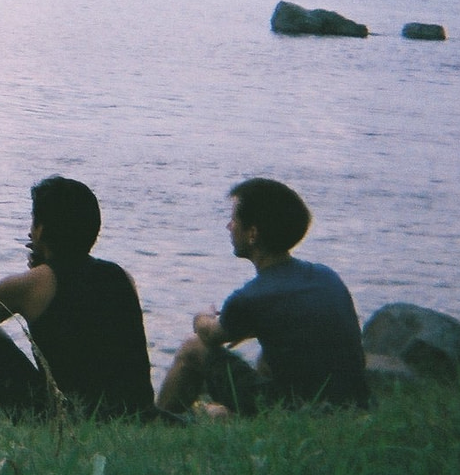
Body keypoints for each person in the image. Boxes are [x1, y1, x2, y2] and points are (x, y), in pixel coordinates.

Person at [0, 175, 155, 421]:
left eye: (33, 224)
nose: (30, 232)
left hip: (71, 417)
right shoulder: (122, 276)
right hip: (137, 414)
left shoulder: (35, 283)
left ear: (42, 230)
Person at [156, 177, 370, 416]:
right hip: (354, 405)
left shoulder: (251, 297)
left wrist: (202, 318)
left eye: (234, 220)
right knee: (269, 355)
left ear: (253, 234)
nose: (229, 226)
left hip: (299, 411)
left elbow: (209, 335)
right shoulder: (325, 276)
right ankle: (227, 414)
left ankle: (158, 423)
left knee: (192, 349)